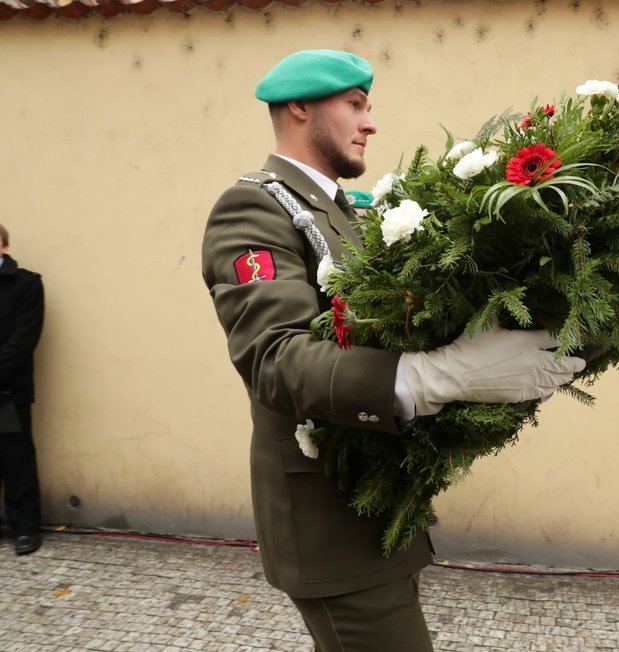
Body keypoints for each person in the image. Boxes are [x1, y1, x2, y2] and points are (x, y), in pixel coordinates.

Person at [200, 50, 584, 651]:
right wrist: (438, 376)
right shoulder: (256, 206)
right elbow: (274, 358)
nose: (370, 123)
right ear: (300, 107)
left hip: (373, 499)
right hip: (326, 513)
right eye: (354, 105)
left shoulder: (348, 213)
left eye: (368, 107)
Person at [0, 223, 45, 557]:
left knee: (17, 460)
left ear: (3, 245)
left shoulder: (26, 284)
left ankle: (25, 529)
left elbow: (23, 340)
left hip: (7, 392)